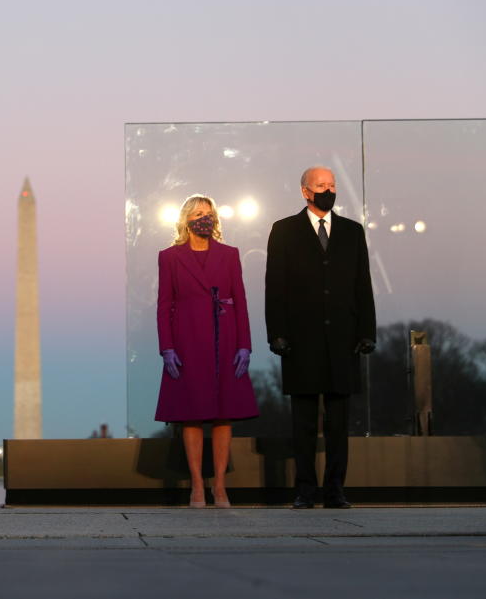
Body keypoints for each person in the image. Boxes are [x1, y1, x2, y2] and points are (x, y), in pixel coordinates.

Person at [265, 165, 376, 510]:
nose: (328, 190)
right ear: (305, 191)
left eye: (332, 184)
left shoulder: (352, 231)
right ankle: (305, 490)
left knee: (339, 423)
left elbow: (363, 285)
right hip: (301, 340)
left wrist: (366, 331)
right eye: (321, 185)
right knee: (303, 421)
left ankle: (335, 490)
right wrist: (277, 334)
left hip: (343, 340)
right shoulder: (283, 231)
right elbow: (275, 287)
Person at [155, 194, 258, 508]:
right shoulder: (170, 256)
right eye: (198, 213)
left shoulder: (229, 254)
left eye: (209, 213)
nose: (205, 217)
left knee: (223, 414)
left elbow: (240, 300)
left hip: (224, 338)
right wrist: (167, 348)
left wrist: (244, 345)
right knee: (191, 415)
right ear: (186, 219)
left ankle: (221, 487)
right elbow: (163, 304)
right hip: (187, 338)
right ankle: (197, 486)